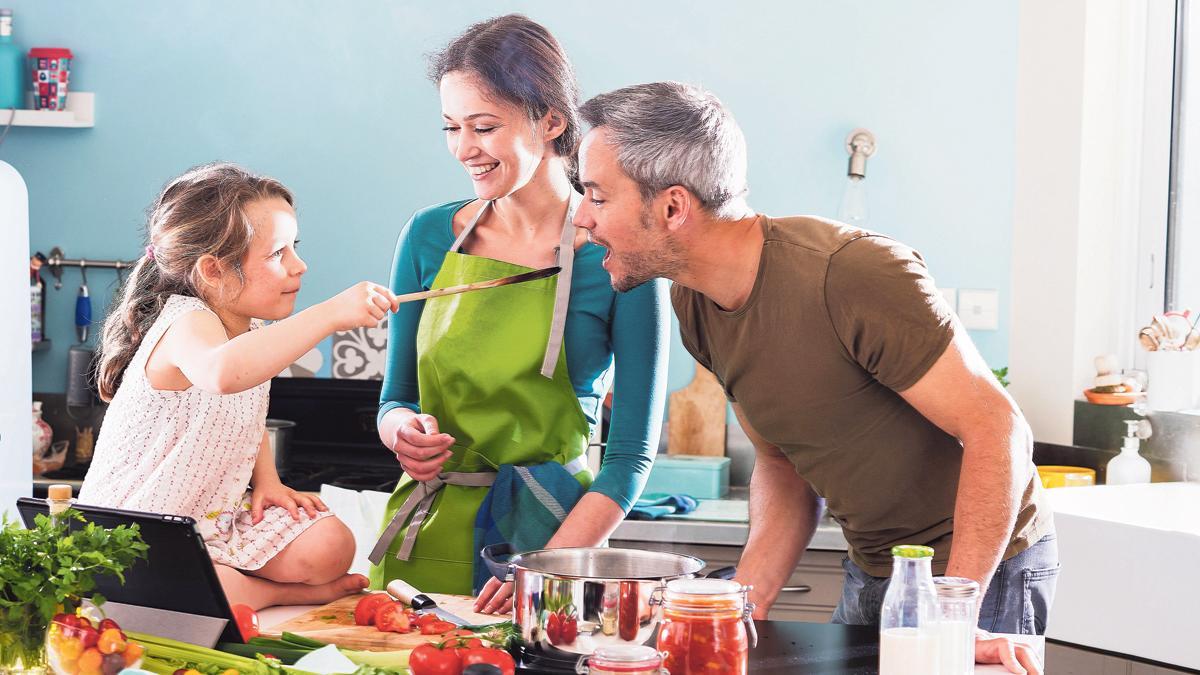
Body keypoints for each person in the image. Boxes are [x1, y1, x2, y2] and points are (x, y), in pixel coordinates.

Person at [572, 82, 1053, 674]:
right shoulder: (695, 305)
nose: (581, 218)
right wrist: (739, 609)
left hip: (978, 576)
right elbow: (780, 464)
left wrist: (951, 621)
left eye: (595, 195)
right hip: (876, 567)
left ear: (674, 207)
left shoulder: (849, 274)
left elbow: (998, 430)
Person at [368, 14, 669, 614]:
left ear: (552, 121)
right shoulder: (428, 237)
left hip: (553, 546)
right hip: (423, 543)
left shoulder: (618, 252)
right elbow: (394, 397)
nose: (463, 149)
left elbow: (631, 454)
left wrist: (547, 569)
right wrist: (400, 432)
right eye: (451, 128)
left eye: (483, 127)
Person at [81, 162, 399, 609]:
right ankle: (267, 593)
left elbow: (243, 416)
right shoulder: (185, 322)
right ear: (213, 270)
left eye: (295, 248)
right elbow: (223, 374)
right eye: (277, 254)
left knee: (331, 542)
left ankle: (235, 581)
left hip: (213, 516)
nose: (299, 266)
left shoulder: (249, 333)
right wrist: (329, 314)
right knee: (194, 587)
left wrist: (267, 480)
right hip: (139, 529)